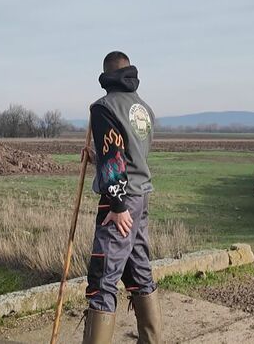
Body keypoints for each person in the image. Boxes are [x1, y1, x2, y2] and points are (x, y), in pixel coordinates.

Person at [83, 51, 162, 344]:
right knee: (139, 270)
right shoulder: (143, 108)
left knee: (103, 280)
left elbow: (115, 159)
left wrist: (117, 205)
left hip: (120, 202)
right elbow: (128, 154)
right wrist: (97, 157)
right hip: (141, 197)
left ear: (106, 76)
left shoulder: (103, 108)